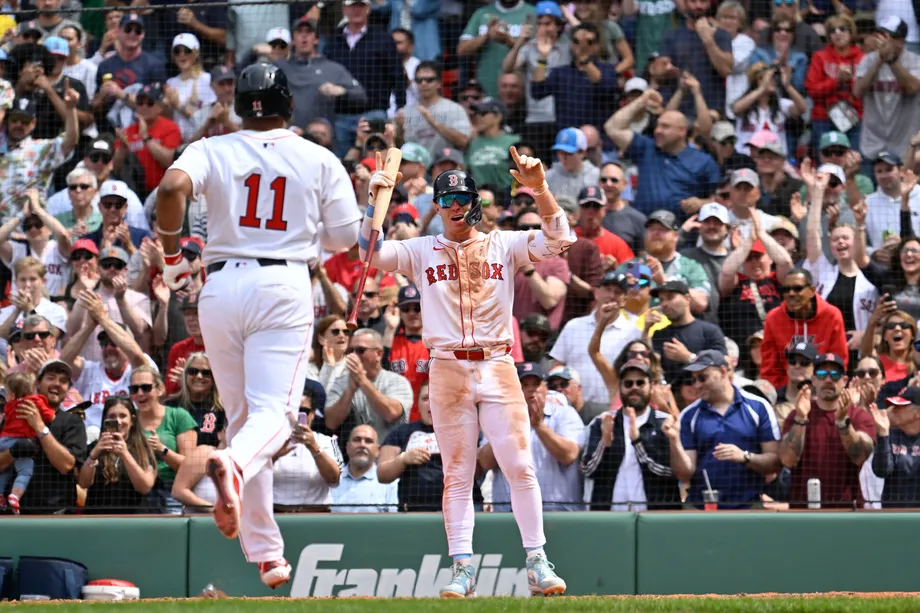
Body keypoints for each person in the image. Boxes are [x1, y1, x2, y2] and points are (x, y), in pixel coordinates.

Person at [155, 62, 361, 588]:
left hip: (220, 287)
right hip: (282, 285)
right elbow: (343, 240)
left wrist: (175, 255)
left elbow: (170, 189)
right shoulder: (316, 156)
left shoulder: (212, 148)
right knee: (274, 415)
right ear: (290, 106)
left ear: (238, 106)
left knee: (246, 419)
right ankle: (230, 463)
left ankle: (267, 552)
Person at [360, 146, 571, 596]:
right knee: (457, 471)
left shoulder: (505, 242)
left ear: (476, 201)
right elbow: (371, 254)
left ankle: (537, 561)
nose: (456, 207)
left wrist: (540, 190)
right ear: (436, 207)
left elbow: (558, 239)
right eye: (447, 200)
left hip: (497, 363)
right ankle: (462, 567)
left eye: (463, 199)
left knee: (519, 465)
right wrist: (374, 201)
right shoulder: (421, 250)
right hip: (448, 368)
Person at [77, 395, 157, 514]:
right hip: (97, 521)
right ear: (105, 421)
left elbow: (144, 487)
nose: (118, 421)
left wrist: (124, 454)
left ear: (132, 421)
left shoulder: (144, 449)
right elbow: (84, 483)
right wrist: (93, 454)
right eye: (112, 416)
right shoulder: (94, 449)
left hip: (133, 520)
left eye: (123, 416)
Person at [0, 372, 55, 514]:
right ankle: (15, 496)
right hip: (20, 441)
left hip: (3, 440)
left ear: (12, 395)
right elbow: (50, 416)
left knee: (5, 470)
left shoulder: (9, 406)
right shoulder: (35, 401)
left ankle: (0, 495)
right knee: (25, 471)